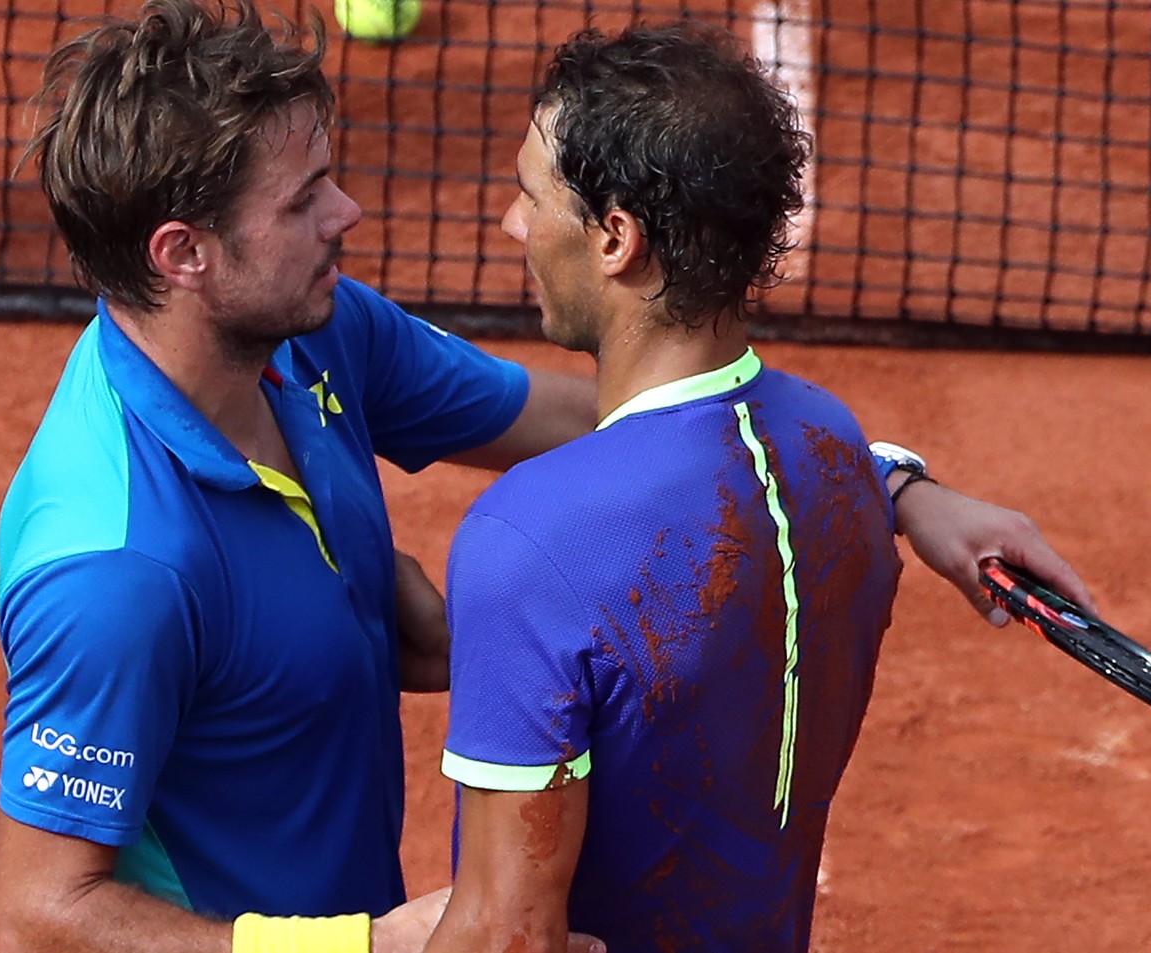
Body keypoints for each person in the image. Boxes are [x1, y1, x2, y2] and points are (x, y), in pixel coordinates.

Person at [0, 2, 1091, 952]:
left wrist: (885, 482)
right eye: (304, 199)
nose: (349, 216)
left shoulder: (316, 338)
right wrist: (363, 941)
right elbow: (44, 914)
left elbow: (624, 418)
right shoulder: (114, 565)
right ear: (184, 253)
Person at [423, 23, 921, 953]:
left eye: (532, 195)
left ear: (616, 238)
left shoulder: (530, 540)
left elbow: (507, 936)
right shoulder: (837, 451)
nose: (512, 224)